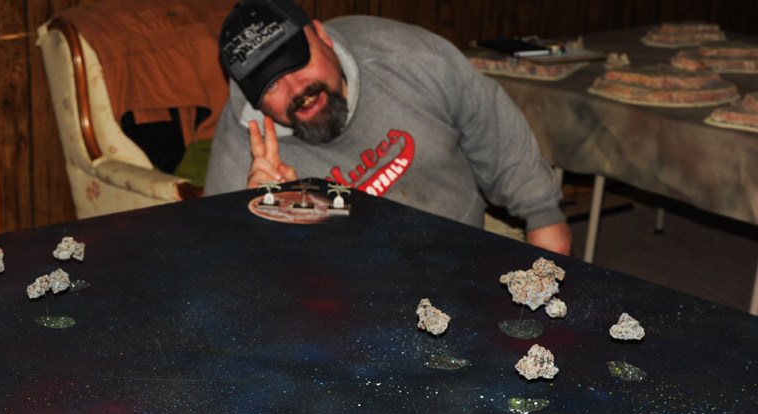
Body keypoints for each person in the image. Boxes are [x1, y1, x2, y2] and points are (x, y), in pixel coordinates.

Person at [205, 0, 572, 254]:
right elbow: (224, 272)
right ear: (253, 98)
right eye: (271, 84)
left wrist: (542, 214)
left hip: (464, 248)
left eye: (297, 61)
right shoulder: (244, 150)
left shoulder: (406, 56)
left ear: (322, 35)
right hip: (345, 296)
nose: (296, 89)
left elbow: (488, 123)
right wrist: (266, 223)